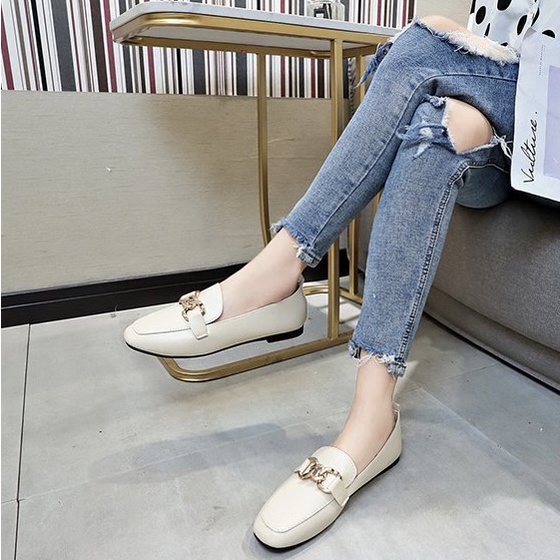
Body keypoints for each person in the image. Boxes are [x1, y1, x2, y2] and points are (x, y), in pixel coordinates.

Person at [124, 1, 558, 549]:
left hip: (546, 144)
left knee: (421, 45)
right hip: (495, 137)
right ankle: (374, 417)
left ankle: (277, 272)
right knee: (439, 126)